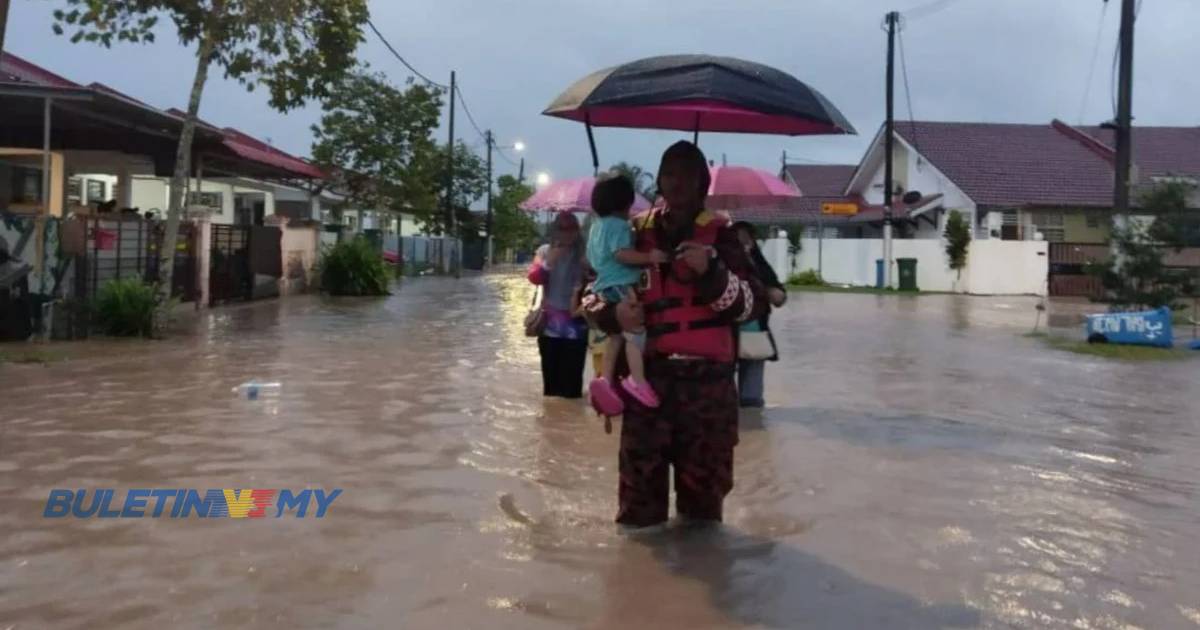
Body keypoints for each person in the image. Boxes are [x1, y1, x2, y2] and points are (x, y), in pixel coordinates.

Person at [591, 141, 766, 529]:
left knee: (703, 520)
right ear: (659, 179)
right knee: (638, 518)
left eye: (687, 173)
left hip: (709, 392)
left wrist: (711, 273)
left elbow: (754, 305)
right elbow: (590, 293)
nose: (678, 182)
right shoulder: (631, 233)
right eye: (669, 172)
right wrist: (612, 313)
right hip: (647, 387)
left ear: (703, 181)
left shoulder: (725, 237)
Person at [585, 173, 668, 414]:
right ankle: (637, 380)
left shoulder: (595, 227)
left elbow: (594, 259)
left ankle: (606, 381)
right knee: (636, 332)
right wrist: (649, 258)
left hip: (603, 287)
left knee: (615, 336)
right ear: (623, 203)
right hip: (622, 285)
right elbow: (621, 254)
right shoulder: (619, 225)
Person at [527, 212, 589, 398]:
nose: (568, 233)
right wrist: (550, 261)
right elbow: (534, 277)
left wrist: (589, 268)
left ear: (578, 231)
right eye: (563, 228)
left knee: (572, 390)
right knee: (551, 390)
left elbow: (598, 278)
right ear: (555, 230)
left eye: (572, 228)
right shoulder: (544, 251)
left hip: (577, 324)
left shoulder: (585, 253)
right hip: (550, 326)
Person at [730, 221, 788, 408]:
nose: (744, 244)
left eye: (747, 239)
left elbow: (779, 295)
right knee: (722, 396)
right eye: (738, 240)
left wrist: (773, 292)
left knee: (752, 400)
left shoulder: (760, 265)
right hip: (723, 337)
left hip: (754, 335)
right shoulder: (720, 266)